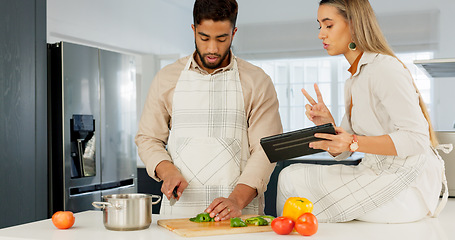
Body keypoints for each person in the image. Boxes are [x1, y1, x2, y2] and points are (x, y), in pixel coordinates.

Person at [276, 0, 448, 223]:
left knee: (293, 181)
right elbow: (345, 152)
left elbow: (417, 139)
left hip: (406, 184)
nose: (321, 35)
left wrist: (352, 142)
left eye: (329, 26)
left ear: (354, 25)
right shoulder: (355, 79)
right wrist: (327, 125)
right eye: (319, 26)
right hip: (375, 172)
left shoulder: (384, 68)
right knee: (290, 176)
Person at [135, 0, 282, 221]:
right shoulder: (166, 78)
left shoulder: (257, 81)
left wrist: (236, 200)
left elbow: (266, 149)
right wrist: (167, 171)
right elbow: (148, 138)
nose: (212, 48)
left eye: (222, 39)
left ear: (233, 33)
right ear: (193, 30)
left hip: (240, 216)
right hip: (179, 215)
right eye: (204, 38)